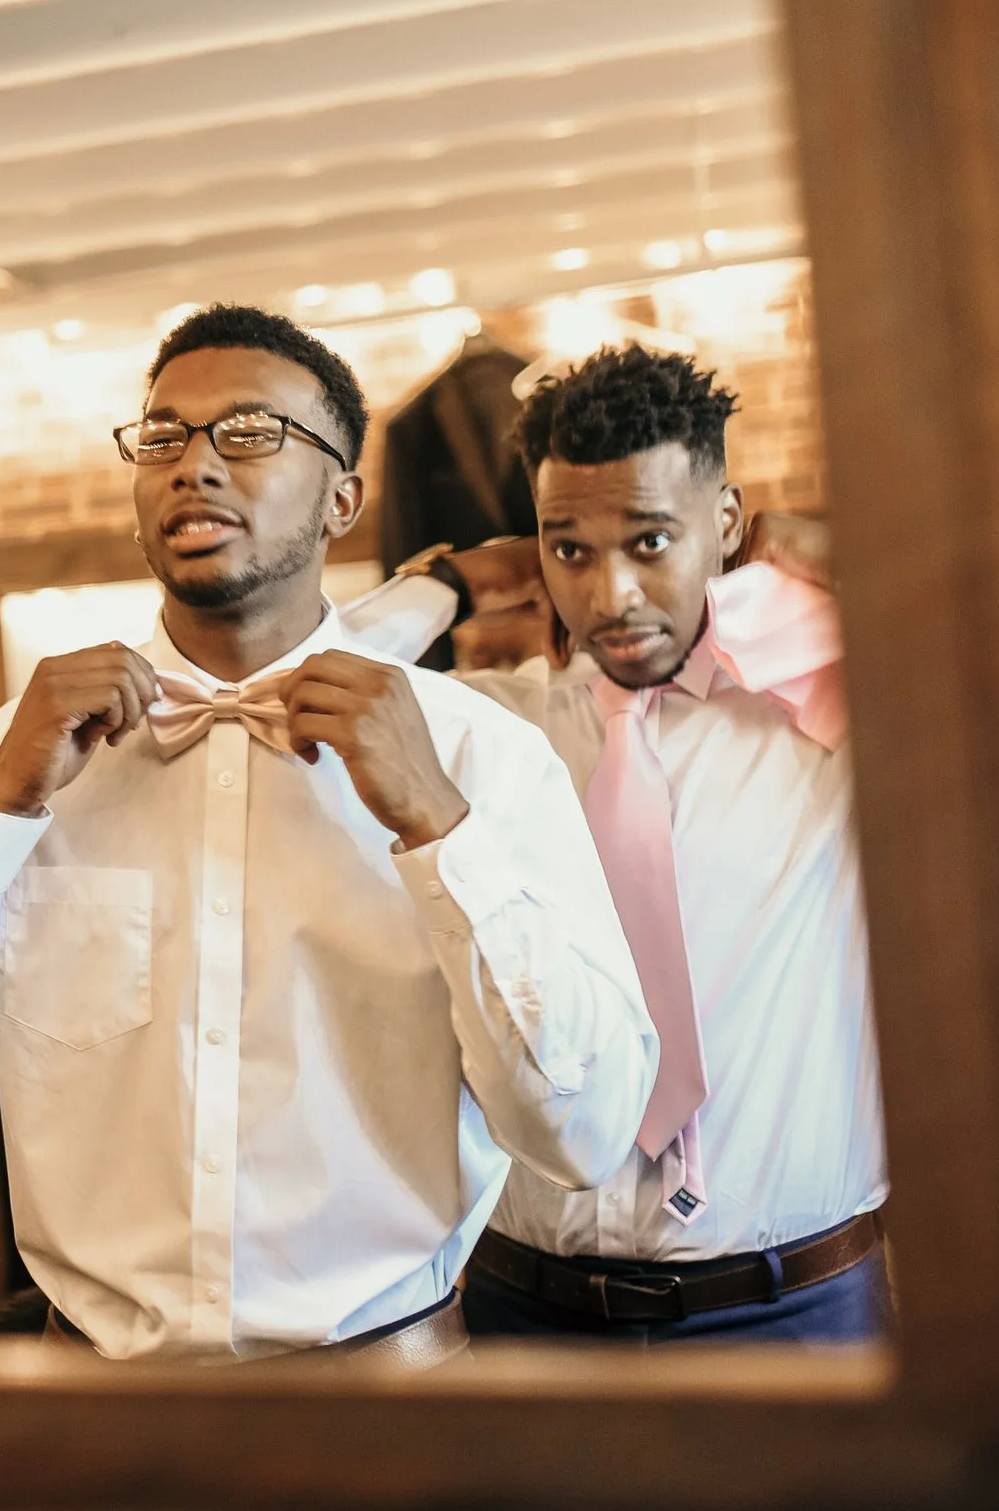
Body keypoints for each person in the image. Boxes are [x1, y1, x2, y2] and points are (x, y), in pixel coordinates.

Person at [0, 305, 656, 1363]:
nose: (195, 466)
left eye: (250, 434)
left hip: (388, 1401)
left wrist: (439, 831)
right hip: (92, 1405)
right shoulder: (10, 756)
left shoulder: (479, 760)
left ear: (343, 497)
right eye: (163, 437)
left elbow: (579, 1136)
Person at [346, 344, 886, 1343]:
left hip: (791, 1312)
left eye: (647, 542)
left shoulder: (830, 725)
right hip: (527, 1309)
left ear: (722, 522)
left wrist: (826, 552)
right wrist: (451, 583)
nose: (610, 595)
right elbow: (310, 681)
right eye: (569, 549)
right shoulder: (491, 734)